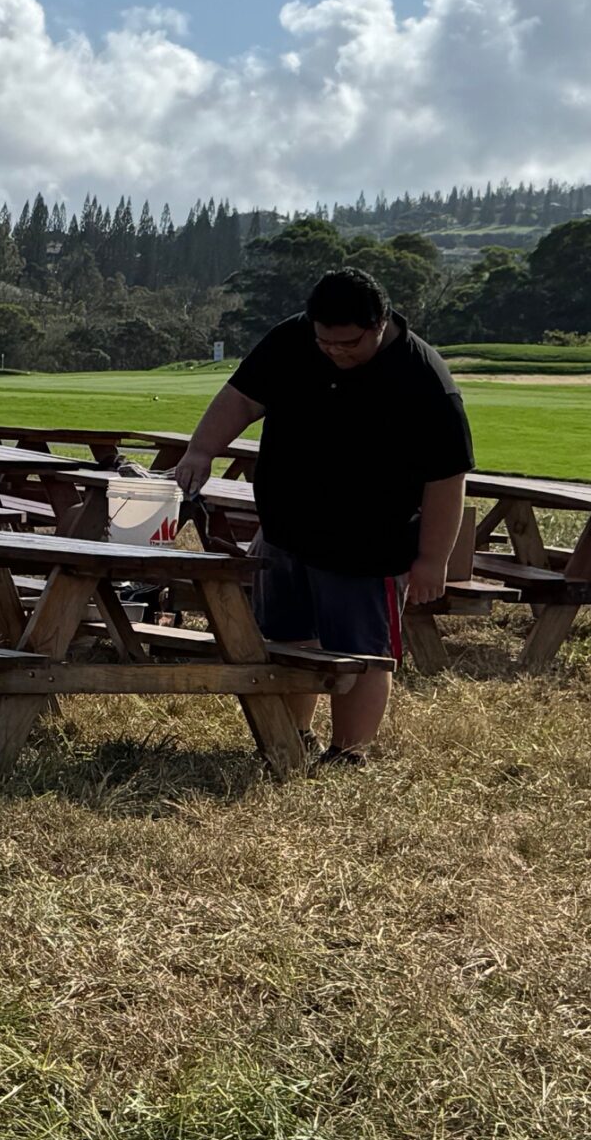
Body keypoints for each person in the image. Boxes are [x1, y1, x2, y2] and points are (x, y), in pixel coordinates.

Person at [172, 266, 473, 766]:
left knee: (362, 654)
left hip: (369, 545)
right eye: (325, 341)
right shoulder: (292, 339)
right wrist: (201, 450)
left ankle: (348, 752)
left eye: (349, 343)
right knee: (287, 640)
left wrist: (432, 559)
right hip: (285, 530)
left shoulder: (425, 381)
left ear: (379, 324)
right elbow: (242, 398)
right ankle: (292, 738)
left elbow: (447, 480)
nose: (335, 351)